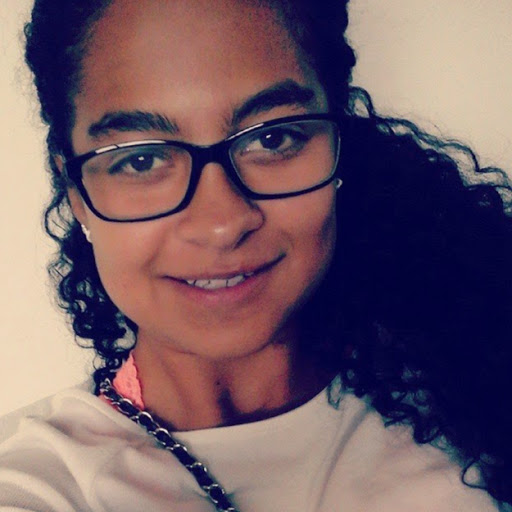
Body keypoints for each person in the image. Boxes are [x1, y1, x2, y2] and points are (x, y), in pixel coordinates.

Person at [1, 0, 511, 510]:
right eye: (142, 159)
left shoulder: (472, 387)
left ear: (338, 146)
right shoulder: (38, 484)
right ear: (75, 192)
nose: (221, 223)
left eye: (273, 137)